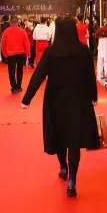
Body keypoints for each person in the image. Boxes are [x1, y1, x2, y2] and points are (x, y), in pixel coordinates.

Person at [21, 17, 99, 197]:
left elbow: (38, 75)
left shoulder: (51, 52)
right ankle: (72, 180)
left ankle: (63, 166)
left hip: (55, 101)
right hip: (78, 100)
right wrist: (93, 97)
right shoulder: (84, 51)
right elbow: (90, 76)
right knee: (74, 141)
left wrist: (27, 99)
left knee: (59, 136)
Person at [0, 15, 30, 93]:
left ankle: (14, 87)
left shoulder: (6, 31)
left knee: (11, 71)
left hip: (11, 54)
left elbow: (2, 43)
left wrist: (4, 53)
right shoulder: (22, 31)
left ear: (10, 22)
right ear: (18, 22)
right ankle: (19, 86)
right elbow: (26, 43)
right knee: (20, 70)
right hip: (21, 53)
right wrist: (28, 53)